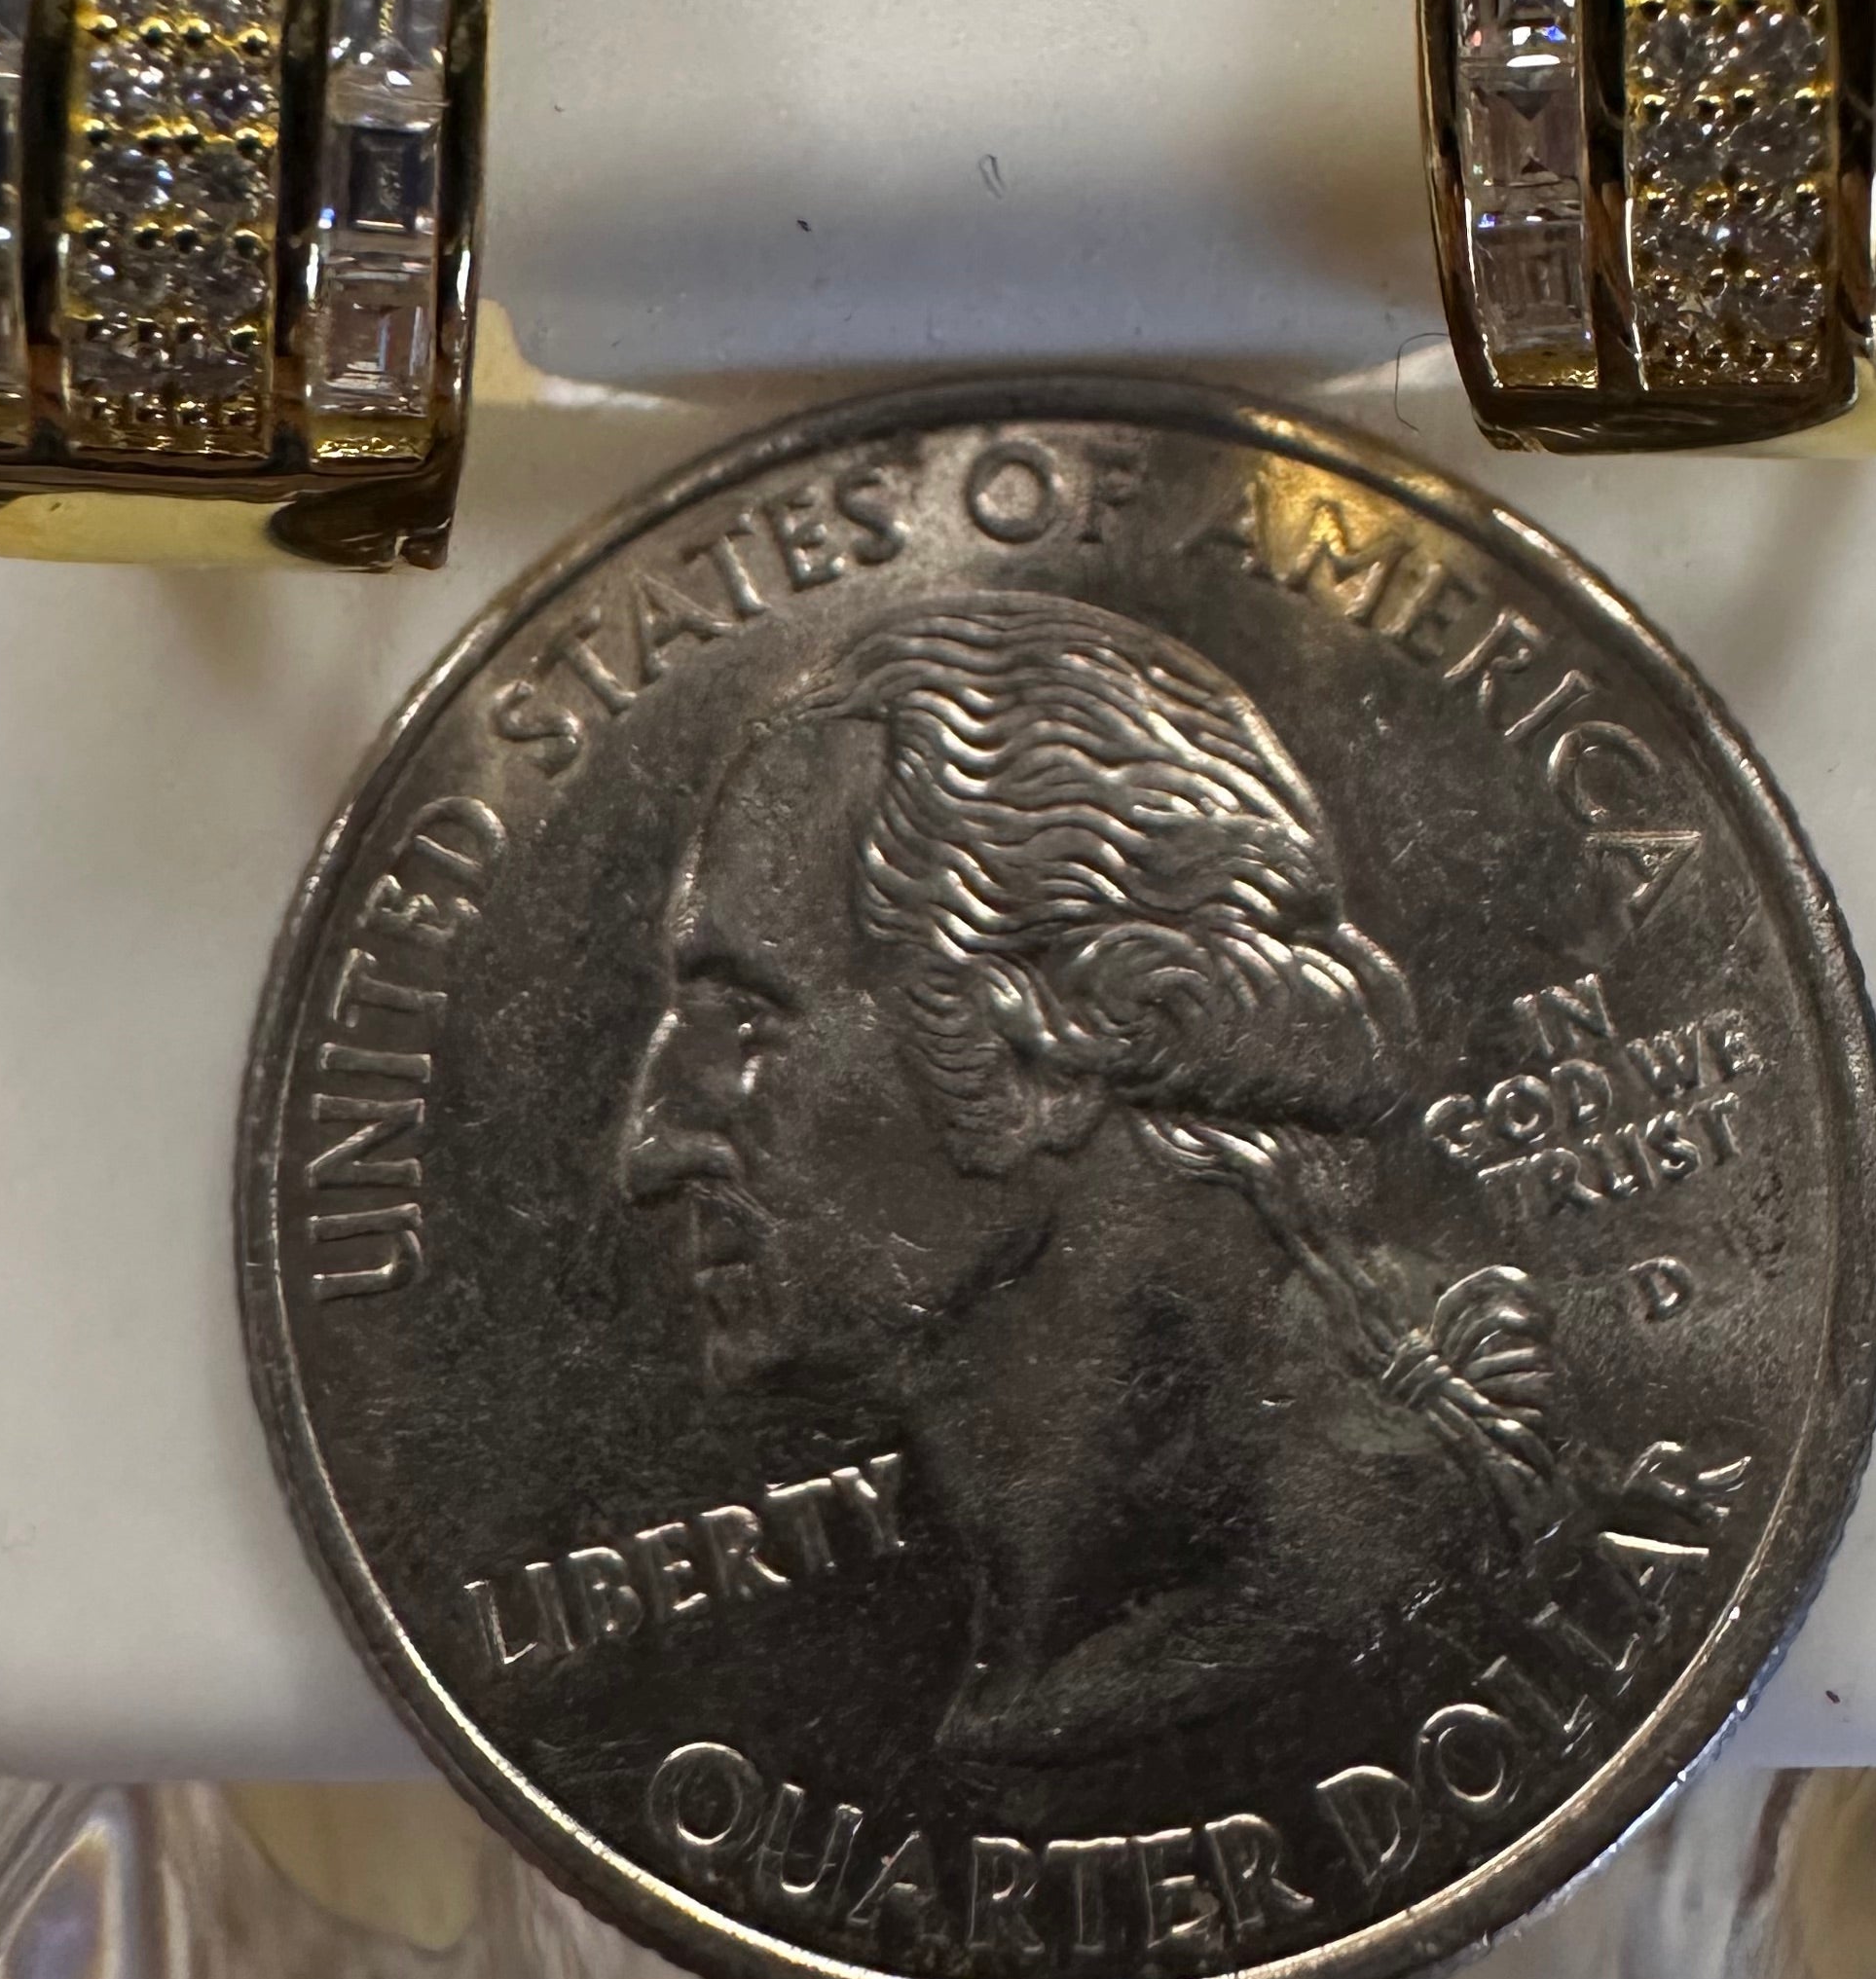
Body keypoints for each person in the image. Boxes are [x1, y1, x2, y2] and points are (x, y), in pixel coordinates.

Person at [617, 592, 1555, 1763]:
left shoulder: (1337, 1612)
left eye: (747, 1027)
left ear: (1044, 1044)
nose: (650, 1151)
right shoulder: (1086, 1659)